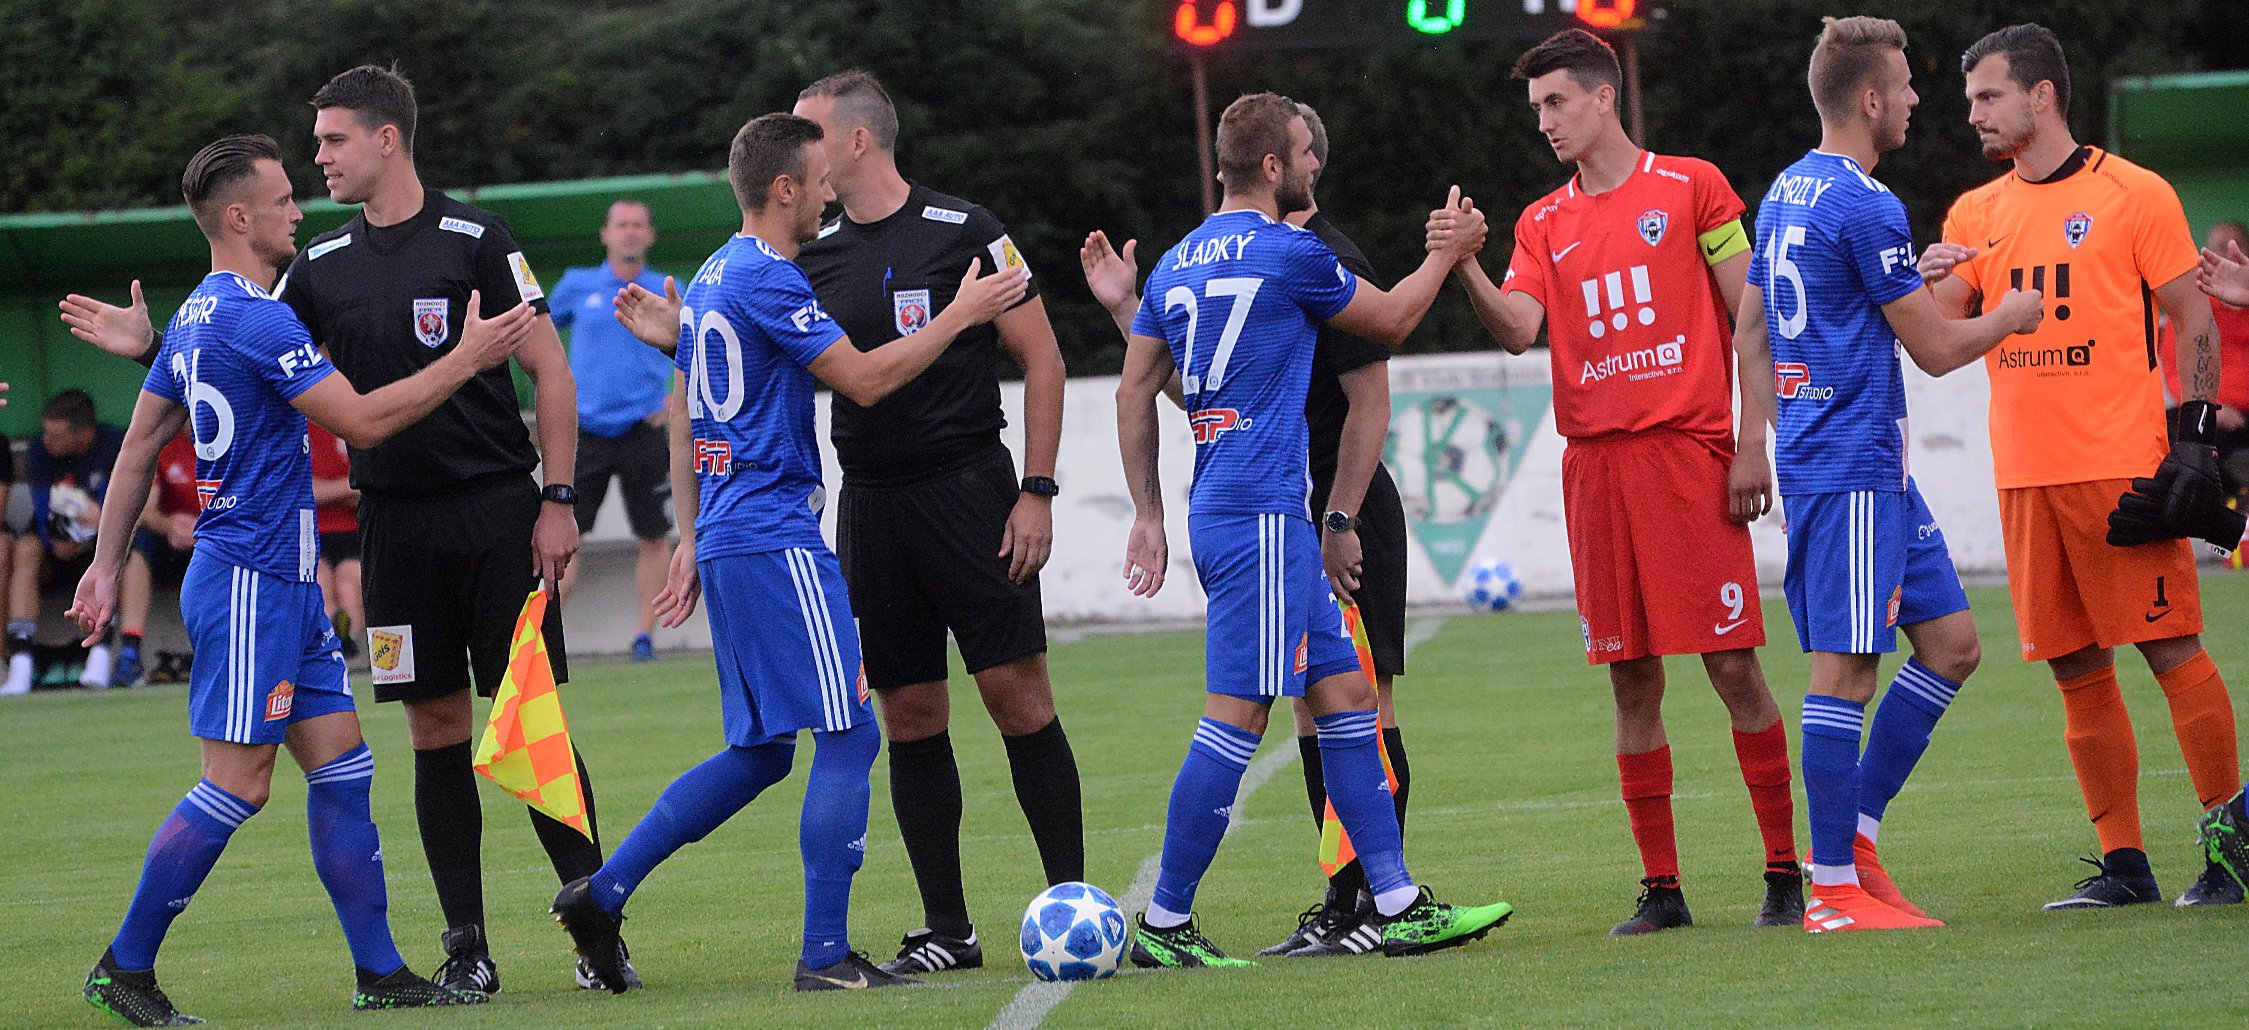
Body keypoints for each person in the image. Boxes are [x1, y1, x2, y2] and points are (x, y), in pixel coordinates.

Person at [57, 64, 616, 990]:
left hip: (468, 523)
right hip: (344, 541)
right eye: (291, 177)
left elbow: (547, 372)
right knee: (363, 748)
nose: (310, 176)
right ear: (244, 216)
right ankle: (452, 951)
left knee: (440, 746)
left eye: (329, 142)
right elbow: (312, 397)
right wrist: (466, 358)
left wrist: (557, 498)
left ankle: (514, 946)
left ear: (386, 138)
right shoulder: (300, 280)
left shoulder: (470, 240)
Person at [549, 111, 1030, 993]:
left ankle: (602, 894)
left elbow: (690, 407)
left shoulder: (715, 273)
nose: (827, 196)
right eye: (817, 183)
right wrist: (962, 313)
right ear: (783, 189)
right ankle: (823, 955)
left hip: (734, 535)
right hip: (775, 534)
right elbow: (866, 380)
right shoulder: (768, 276)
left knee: (763, 751)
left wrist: (694, 530)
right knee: (849, 733)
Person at [1105, 91, 1510, 967]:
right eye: (1303, 152)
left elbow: (1135, 390)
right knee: (1238, 715)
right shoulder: (1288, 252)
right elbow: (1392, 319)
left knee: (1347, 698)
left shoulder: (1174, 263)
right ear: (1271, 167)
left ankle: (1395, 903)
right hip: (1257, 515)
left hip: (1247, 512)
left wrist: (1148, 512)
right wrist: (1445, 256)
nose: (1313, 164)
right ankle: (1165, 922)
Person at [1440, 28, 1802, 935]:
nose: (1544, 122)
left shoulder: (1692, 186)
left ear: (1604, 97)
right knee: (1630, 680)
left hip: (1688, 457)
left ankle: (1782, 872)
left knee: (1732, 665)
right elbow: (1518, 330)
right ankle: (1661, 890)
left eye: (1556, 102)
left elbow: (1750, 319)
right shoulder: (1540, 222)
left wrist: (1751, 444)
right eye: (1536, 109)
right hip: (1596, 472)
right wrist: (1464, 261)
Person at [756, 69, 1077, 975]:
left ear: (857, 139)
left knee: (1018, 698)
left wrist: (1037, 490)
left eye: (811, 131)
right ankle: (948, 930)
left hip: (972, 492)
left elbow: (1044, 360)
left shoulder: (966, 230)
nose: (801, 148)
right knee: (907, 712)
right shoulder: (804, 255)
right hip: (872, 504)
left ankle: (1074, 904)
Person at [1923, 23, 2245, 908]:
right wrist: (1913, 275)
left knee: (2170, 648)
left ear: (2042, 95)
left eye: (1988, 96)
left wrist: (2194, 443)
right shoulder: (1972, 214)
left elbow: (2193, 319)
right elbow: (1935, 340)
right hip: (2024, 475)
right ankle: (2124, 865)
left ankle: (2229, 851)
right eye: (1969, 100)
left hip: (2119, 470)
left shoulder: (2132, 192)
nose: (1973, 114)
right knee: (2073, 668)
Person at [1736, 16, 2043, 932]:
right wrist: (2010, 315)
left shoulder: (1787, 189)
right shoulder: (1868, 204)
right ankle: (1831, 889)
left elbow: (1752, 329)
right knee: (1844, 671)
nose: (1915, 100)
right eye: (1905, 87)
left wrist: (1779, 431)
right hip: (1850, 465)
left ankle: (1855, 840)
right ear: (1869, 100)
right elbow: (1938, 350)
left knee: (1951, 644)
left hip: (1862, 467)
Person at [552, 199, 676, 662]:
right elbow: (533, 333)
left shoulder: (667, 289)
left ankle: (644, 636)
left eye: (638, 225)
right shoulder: (576, 284)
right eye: (622, 225)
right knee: (564, 535)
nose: (630, 232)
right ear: (605, 234)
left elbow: (701, 344)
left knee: (653, 535)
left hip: (645, 429)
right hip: (586, 432)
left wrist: (676, 398)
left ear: (650, 235)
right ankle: (545, 639)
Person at [4, 389, 141, 693]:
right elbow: (43, 508)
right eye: (46, 433)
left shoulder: (113, 445)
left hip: (101, 541)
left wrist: (88, 532)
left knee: (127, 552)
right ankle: (21, 663)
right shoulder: (40, 452)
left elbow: (115, 512)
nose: (47, 441)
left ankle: (102, 654)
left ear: (84, 434)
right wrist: (60, 536)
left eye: (56, 435)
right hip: (55, 543)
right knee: (25, 549)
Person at [2154, 221, 2249, 496]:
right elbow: (2176, 371)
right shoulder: (2196, 306)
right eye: (2217, 248)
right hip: (2208, 410)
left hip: (2245, 414)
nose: (2225, 256)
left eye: (2233, 247)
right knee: (2175, 432)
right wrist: (2214, 407)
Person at [115, 429, 201, 687]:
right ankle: (130, 651)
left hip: (217, 539)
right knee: (140, 543)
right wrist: (170, 527)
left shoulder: (232, 439)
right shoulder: (164, 444)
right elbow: (145, 509)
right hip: (172, 543)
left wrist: (205, 530)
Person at [309, 422, 363, 659]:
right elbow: (305, 491)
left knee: (350, 586)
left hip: (353, 531)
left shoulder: (353, 427)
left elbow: (366, 489)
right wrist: (348, 487)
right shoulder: (301, 430)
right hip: (312, 531)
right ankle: (330, 647)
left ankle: (348, 649)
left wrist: (329, 491)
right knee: (319, 581)